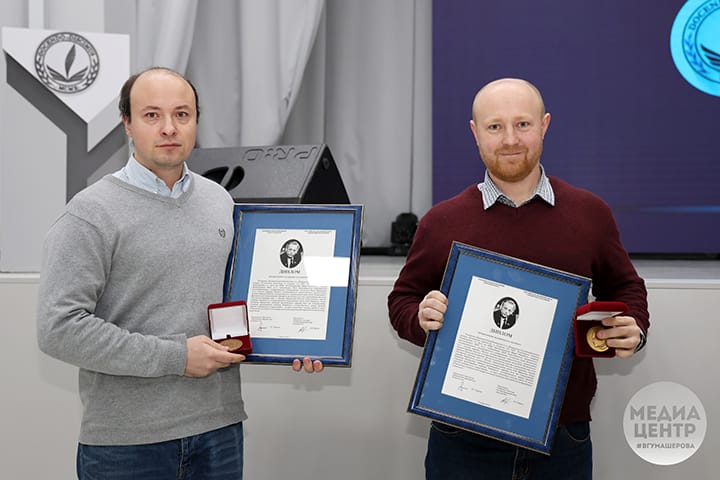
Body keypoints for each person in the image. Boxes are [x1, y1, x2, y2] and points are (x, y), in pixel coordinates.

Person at [36, 66, 323, 480]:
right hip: (127, 445)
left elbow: (241, 300)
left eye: (182, 114)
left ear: (196, 122)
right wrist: (177, 356)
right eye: (152, 115)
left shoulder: (220, 201)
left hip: (219, 430)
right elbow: (59, 329)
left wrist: (297, 337)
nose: (169, 127)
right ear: (127, 124)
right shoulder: (90, 213)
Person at [387, 78, 649, 479]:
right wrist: (420, 317)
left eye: (523, 124)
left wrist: (632, 328)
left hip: (562, 438)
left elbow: (626, 288)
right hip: (461, 438)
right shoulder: (442, 221)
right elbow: (403, 299)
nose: (510, 139)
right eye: (495, 126)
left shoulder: (590, 213)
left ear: (544, 125)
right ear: (475, 133)